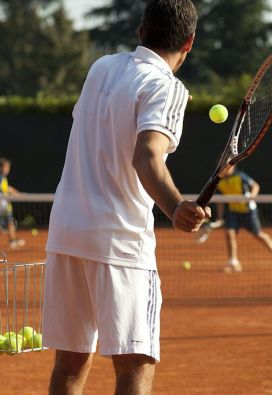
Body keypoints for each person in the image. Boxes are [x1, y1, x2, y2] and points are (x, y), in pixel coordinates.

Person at [42, 2, 210, 394]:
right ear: (190, 42)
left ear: (141, 32)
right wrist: (174, 207)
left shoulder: (100, 67)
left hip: (66, 233)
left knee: (69, 361)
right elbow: (146, 155)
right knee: (136, 365)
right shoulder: (167, 86)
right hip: (120, 241)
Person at [216, 165, 272, 273]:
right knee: (229, 234)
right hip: (233, 212)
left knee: (258, 234)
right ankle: (233, 263)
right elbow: (220, 200)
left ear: (233, 167)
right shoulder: (219, 182)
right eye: (224, 166)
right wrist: (220, 217)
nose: (227, 169)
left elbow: (255, 186)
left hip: (248, 211)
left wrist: (250, 198)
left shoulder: (240, 176)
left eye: (229, 166)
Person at [0, 157, 25, 249]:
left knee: (10, 222)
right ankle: (12, 240)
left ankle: (12, 240)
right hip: (3, 205)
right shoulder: (1, 177)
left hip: (4, 204)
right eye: (6, 167)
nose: (8, 169)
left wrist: (17, 193)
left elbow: (8, 188)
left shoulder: (3, 178)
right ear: (2, 167)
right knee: (10, 222)